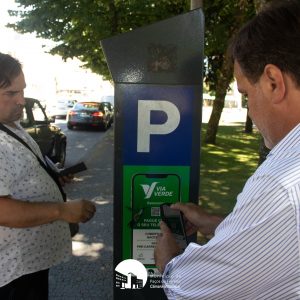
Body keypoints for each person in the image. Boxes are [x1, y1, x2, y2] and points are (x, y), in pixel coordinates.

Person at [154, 0, 300, 298]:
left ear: (273, 82)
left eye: (245, 94)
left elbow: (191, 290)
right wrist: (221, 225)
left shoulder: (282, 183)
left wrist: (167, 262)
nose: (249, 112)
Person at [0, 52, 96, 299]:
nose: (22, 100)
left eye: (22, 91)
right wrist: (62, 210)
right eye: (11, 93)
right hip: (12, 272)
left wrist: (52, 178)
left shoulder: (10, 124)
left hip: (29, 265)